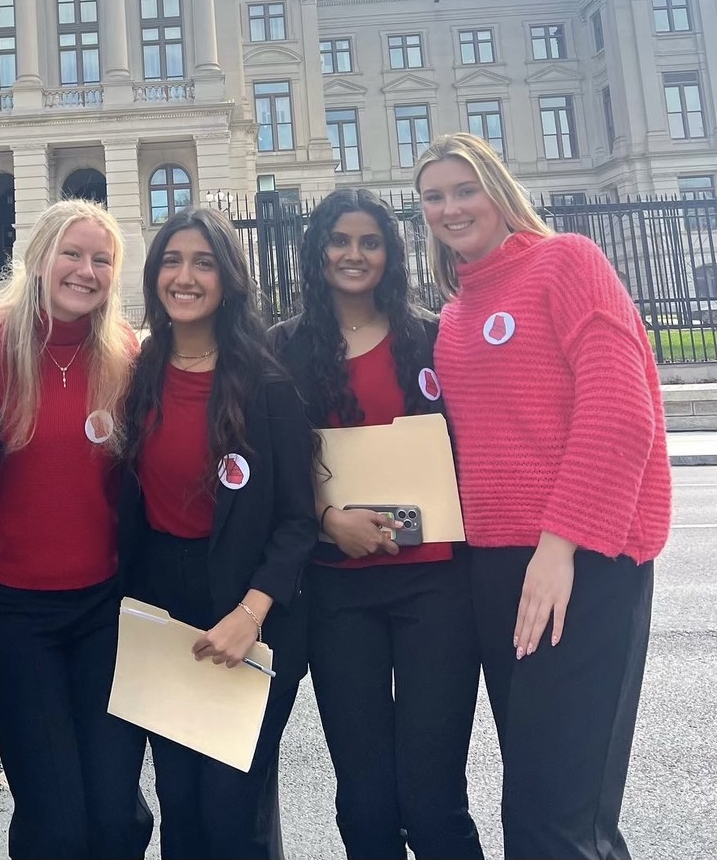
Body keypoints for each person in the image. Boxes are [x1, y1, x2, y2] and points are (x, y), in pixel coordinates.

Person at [414, 133, 672, 860]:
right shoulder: (458, 310)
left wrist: (559, 547)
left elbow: (620, 410)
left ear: (499, 188)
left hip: (580, 560)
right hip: (495, 571)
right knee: (530, 802)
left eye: (465, 188)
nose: (450, 206)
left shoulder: (568, 261)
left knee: (565, 815)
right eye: (434, 196)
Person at [268, 189, 483, 860]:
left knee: (433, 799)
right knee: (364, 798)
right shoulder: (285, 347)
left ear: (389, 252)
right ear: (318, 249)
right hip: (338, 594)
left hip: (436, 589)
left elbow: (473, 442)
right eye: (339, 239)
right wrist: (330, 520)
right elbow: (273, 466)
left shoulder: (433, 335)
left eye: (369, 241)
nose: (353, 254)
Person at [119, 206, 317, 860]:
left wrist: (251, 613)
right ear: (154, 277)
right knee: (181, 806)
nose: (185, 275)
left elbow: (297, 519)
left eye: (204, 261)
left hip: (246, 608)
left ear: (228, 278)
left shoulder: (267, 385)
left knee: (232, 815)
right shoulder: (139, 373)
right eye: (172, 260)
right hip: (163, 609)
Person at [0, 199, 152, 860]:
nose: (85, 269)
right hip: (14, 612)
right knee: (55, 825)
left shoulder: (126, 354)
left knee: (115, 819)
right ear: (39, 257)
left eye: (101, 258)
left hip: (104, 609)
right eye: (71, 253)